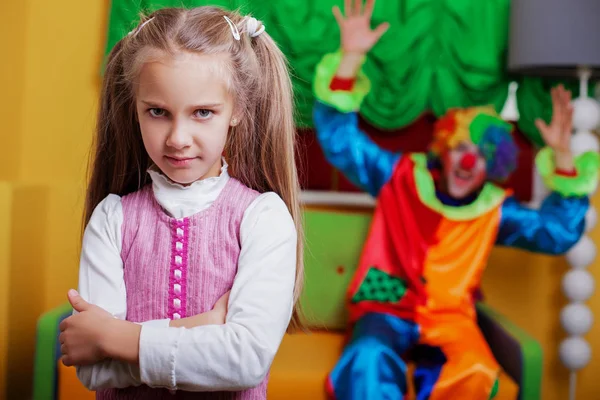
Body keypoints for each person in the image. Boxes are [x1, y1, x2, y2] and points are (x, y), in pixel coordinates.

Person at [312, 0, 599, 399]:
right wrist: (350, 60)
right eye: (461, 146)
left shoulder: (494, 209)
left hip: (450, 318)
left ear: (492, 165)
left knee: (477, 369)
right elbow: (342, 142)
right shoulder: (401, 176)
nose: (469, 159)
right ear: (444, 149)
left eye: (481, 153)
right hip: (385, 305)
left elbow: (557, 233)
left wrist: (565, 161)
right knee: (368, 358)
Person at [58, 6, 304, 399]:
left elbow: (244, 361)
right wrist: (208, 326)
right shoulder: (112, 219)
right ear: (135, 108)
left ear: (237, 110)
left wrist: (117, 337)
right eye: (158, 112)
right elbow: (94, 368)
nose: (177, 138)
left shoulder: (263, 218)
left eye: (203, 112)